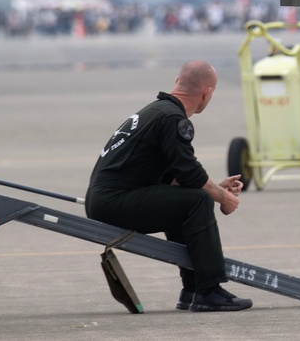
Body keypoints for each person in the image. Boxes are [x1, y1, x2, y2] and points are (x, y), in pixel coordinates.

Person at [85, 60, 252, 312]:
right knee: (198, 201)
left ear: (177, 82)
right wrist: (224, 199)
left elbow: (178, 178)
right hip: (115, 202)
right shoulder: (173, 119)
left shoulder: (155, 111)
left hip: (107, 200)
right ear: (207, 92)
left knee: (189, 200)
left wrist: (216, 187)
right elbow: (190, 172)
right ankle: (208, 290)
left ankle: (192, 289)